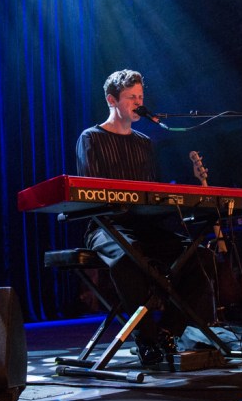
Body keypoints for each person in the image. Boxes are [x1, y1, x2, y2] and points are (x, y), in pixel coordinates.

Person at [76, 69, 215, 366]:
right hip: (106, 225)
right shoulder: (91, 138)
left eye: (141, 97)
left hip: (143, 225)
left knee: (199, 256)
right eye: (131, 98)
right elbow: (90, 195)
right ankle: (147, 341)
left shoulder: (143, 142)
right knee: (127, 258)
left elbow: (150, 192)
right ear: (112, 100)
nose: (139, 103)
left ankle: (166, 332)